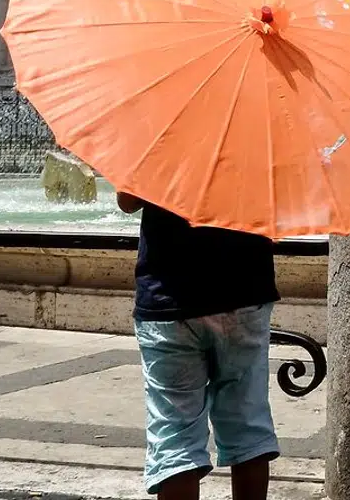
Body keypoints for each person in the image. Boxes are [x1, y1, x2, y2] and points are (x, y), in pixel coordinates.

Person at [117, 190, 281, 500]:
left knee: (175, 437)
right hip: (245, 287)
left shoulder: (156, 138)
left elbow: (127, 200)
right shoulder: (261, 139)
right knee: (248, 426)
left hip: (169, 295)